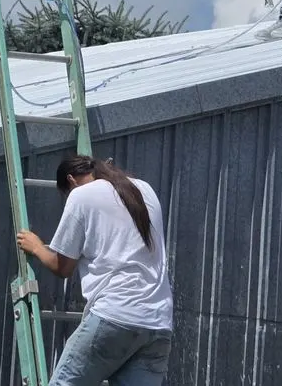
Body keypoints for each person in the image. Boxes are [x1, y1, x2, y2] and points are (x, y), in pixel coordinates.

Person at [16, 155, 173, 385]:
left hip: (115, 315)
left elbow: (63, 267)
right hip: (158, 324)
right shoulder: (144, 189)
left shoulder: (81, 196)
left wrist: (38, 248)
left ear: (71, 180)